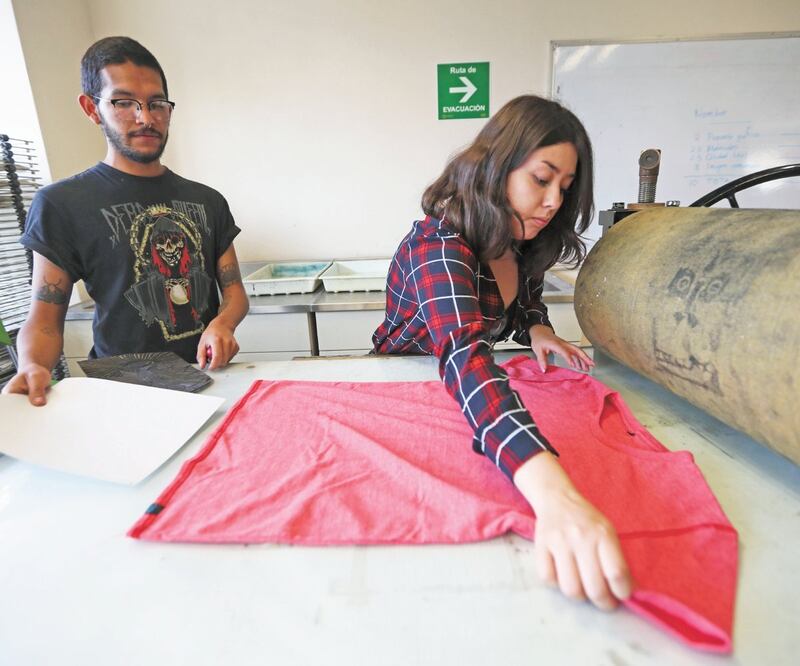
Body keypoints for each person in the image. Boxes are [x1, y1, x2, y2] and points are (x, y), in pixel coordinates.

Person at [373, 95, 632, 610]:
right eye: (542, 179)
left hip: (468, 392)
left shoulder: (518, 236)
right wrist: (555, 496)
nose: (554, 201)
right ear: (496, 167)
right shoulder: (438, 244)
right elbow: (466, 359)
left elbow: (524, 298)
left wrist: (536, 327)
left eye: (565, 187)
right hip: (407, 389)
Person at [3, 36, 249, 406]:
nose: (145, 118)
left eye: (156, 104)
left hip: (211, 381)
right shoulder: (61, 204)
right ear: (92, 108)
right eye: (123, 102)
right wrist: (33, 365)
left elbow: (234, 292)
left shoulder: (208, 201)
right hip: (122, 392)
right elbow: (44, 321)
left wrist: (222, 323)